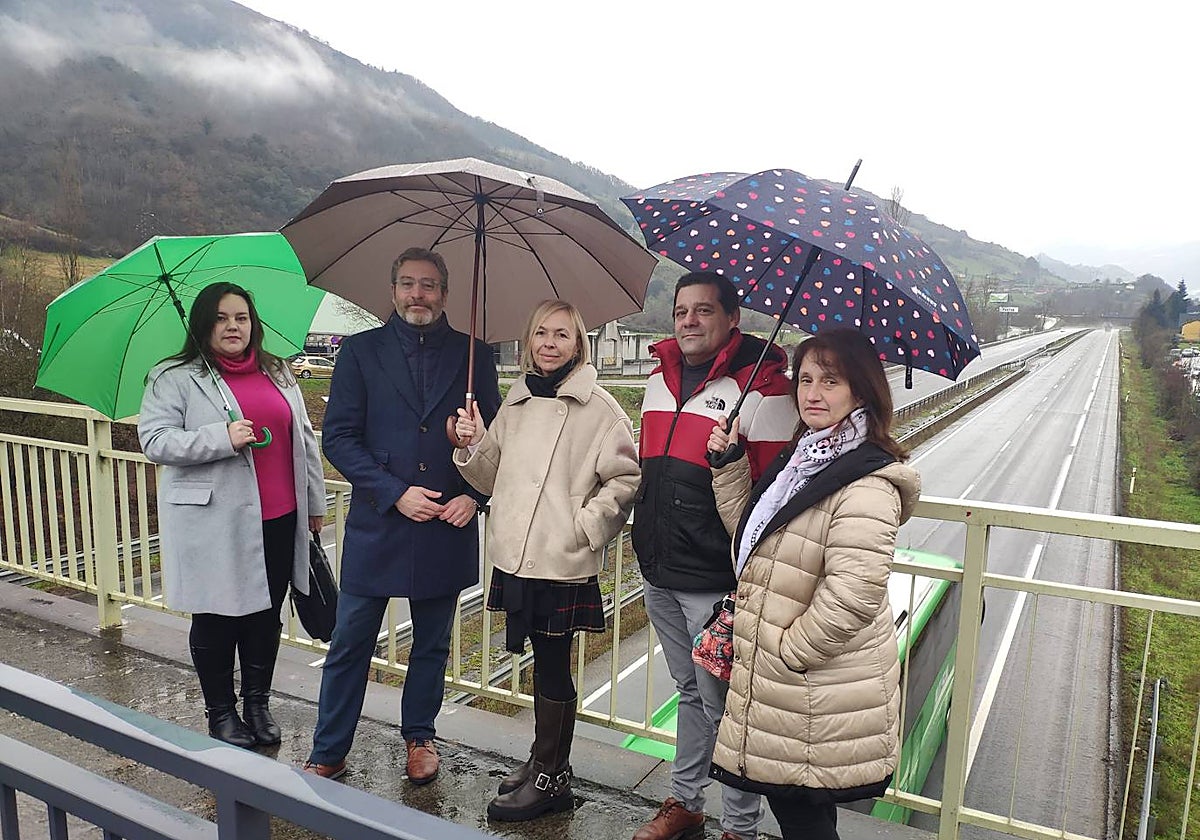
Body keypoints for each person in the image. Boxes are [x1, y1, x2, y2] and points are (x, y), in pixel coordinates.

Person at [704, 328, 921, 840]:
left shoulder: (865, 482)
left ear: (862, 391)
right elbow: (754, 538)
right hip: (791, 687)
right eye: (804, 379)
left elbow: (854, 594)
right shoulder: (806, 458)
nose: (812, 393)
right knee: (803, 811)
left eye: (830, 380)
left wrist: (786, 650)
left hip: (810, 686)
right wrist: (729, 464)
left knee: (802, 814)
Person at [303, 247, 501, 783]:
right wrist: (394, 492)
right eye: (409, 283)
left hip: (446, 518)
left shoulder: (474, 355)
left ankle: (420, 737)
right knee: (351, 641)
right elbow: (339, 438)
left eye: (430, 285)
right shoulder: (360, 352)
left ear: (445, 293)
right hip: (381, 520)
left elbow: (496, 442)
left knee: (432, 643)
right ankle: (329, 746)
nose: (419, 294)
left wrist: (473, 495)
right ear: (392, 291)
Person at [453, 299, 640, 821]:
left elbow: (626, 479)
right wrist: (472, 444)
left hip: (560, 557)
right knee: (541, 660)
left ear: (578, 343)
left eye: (562, 334)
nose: (550, 343)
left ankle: (553, 776)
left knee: (555, 667)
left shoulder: (600, 408)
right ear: (529, 341)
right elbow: (494, 477)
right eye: (541, 333)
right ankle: (543, 757)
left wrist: (586, 525)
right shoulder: (516, 400)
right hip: (517, 554)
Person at [631, 271, 797, 840]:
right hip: (657, 567)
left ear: (733, 319)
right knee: (688, 694)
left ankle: (740, 827)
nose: (689, 321)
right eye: (682, 311)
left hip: (712, 575)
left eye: (704, 311)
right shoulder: (659, 378)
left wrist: (730, 458)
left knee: (726, 705)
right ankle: (687, 802)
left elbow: (776, 494)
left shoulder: (767, 390)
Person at [139, 281, 326, 748]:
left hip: (280, 515)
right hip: (214, 521)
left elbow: (304, 439)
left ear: (253, 323)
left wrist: (316, 504)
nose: (232, 326)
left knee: (265, 616)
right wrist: (222, 436)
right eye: (221, 318)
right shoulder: (174, 377)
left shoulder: (278, 372)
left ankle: (257, 704)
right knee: (218, 618)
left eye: (240, 317)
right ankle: (220, 712)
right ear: (203, 323)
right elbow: (155, 442)